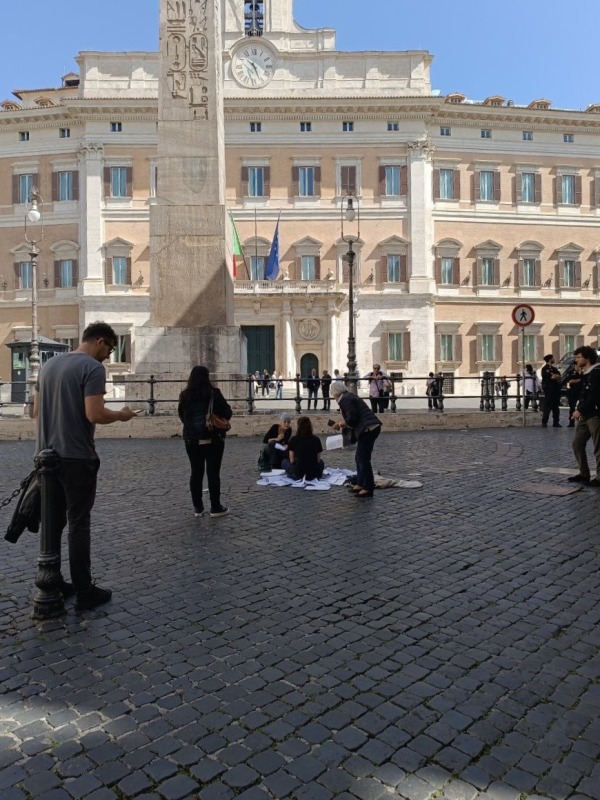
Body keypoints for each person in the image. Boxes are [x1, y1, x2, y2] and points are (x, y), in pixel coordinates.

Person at [33, 321, 137, 611]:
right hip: (76, 456)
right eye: (110, 349)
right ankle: (84, 590)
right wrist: (122, 415)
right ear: (100, 341)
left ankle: (52, 581)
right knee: (79, 523)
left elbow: (35, 412)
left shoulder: (48, 367)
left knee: (53, 522)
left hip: (45, 456)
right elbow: (94, 413)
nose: (109, 356)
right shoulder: (92, 368)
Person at [178, 365, 232, 518]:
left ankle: (198, 508)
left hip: (192, 439)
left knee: (196, 472)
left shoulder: (185, 395)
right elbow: (228, 412)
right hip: (213, 438)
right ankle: (215, 507)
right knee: (213, 473)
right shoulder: (214, 394)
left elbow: (183, 417)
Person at [330, 381, 382, 498]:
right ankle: (360, 483)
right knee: (359, 457)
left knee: (363, 459)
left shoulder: (345, 399)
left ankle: (368, 487)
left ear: (335, 393)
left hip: (368, 429)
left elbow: (353, 418)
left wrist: (340, 424)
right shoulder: (348, 397)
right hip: (368, 428)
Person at [568, 346, 600, 486]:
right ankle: (584, 473)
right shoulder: (587, 373)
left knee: (598, 447)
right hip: (584, 415)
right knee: (577, 443)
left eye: (578, 357)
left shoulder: (597, 373)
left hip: (595, 414)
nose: (576, 360)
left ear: (587, 358)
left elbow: (594, 395)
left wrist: (579, 410)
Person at [282, 416, 324, 480]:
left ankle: (290, 474)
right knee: (321, 462)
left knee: (284, 461)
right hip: (313, 474)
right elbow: (318, 460)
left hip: (298, 474)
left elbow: (292, 460)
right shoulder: (316, 439)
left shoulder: (293, 439)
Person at [541, 354, 562, 427]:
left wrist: (555, 376)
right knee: (547, 406)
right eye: (553, 358)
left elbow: (559, 376)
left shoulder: (554, 369)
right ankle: (544, 422)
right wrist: (554, 376)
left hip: (555, 390)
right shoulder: (545, 368)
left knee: (556, 407)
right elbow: (552, 377)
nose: (554, 359)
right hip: (549, 390)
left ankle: (556, 422)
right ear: (550, 359)